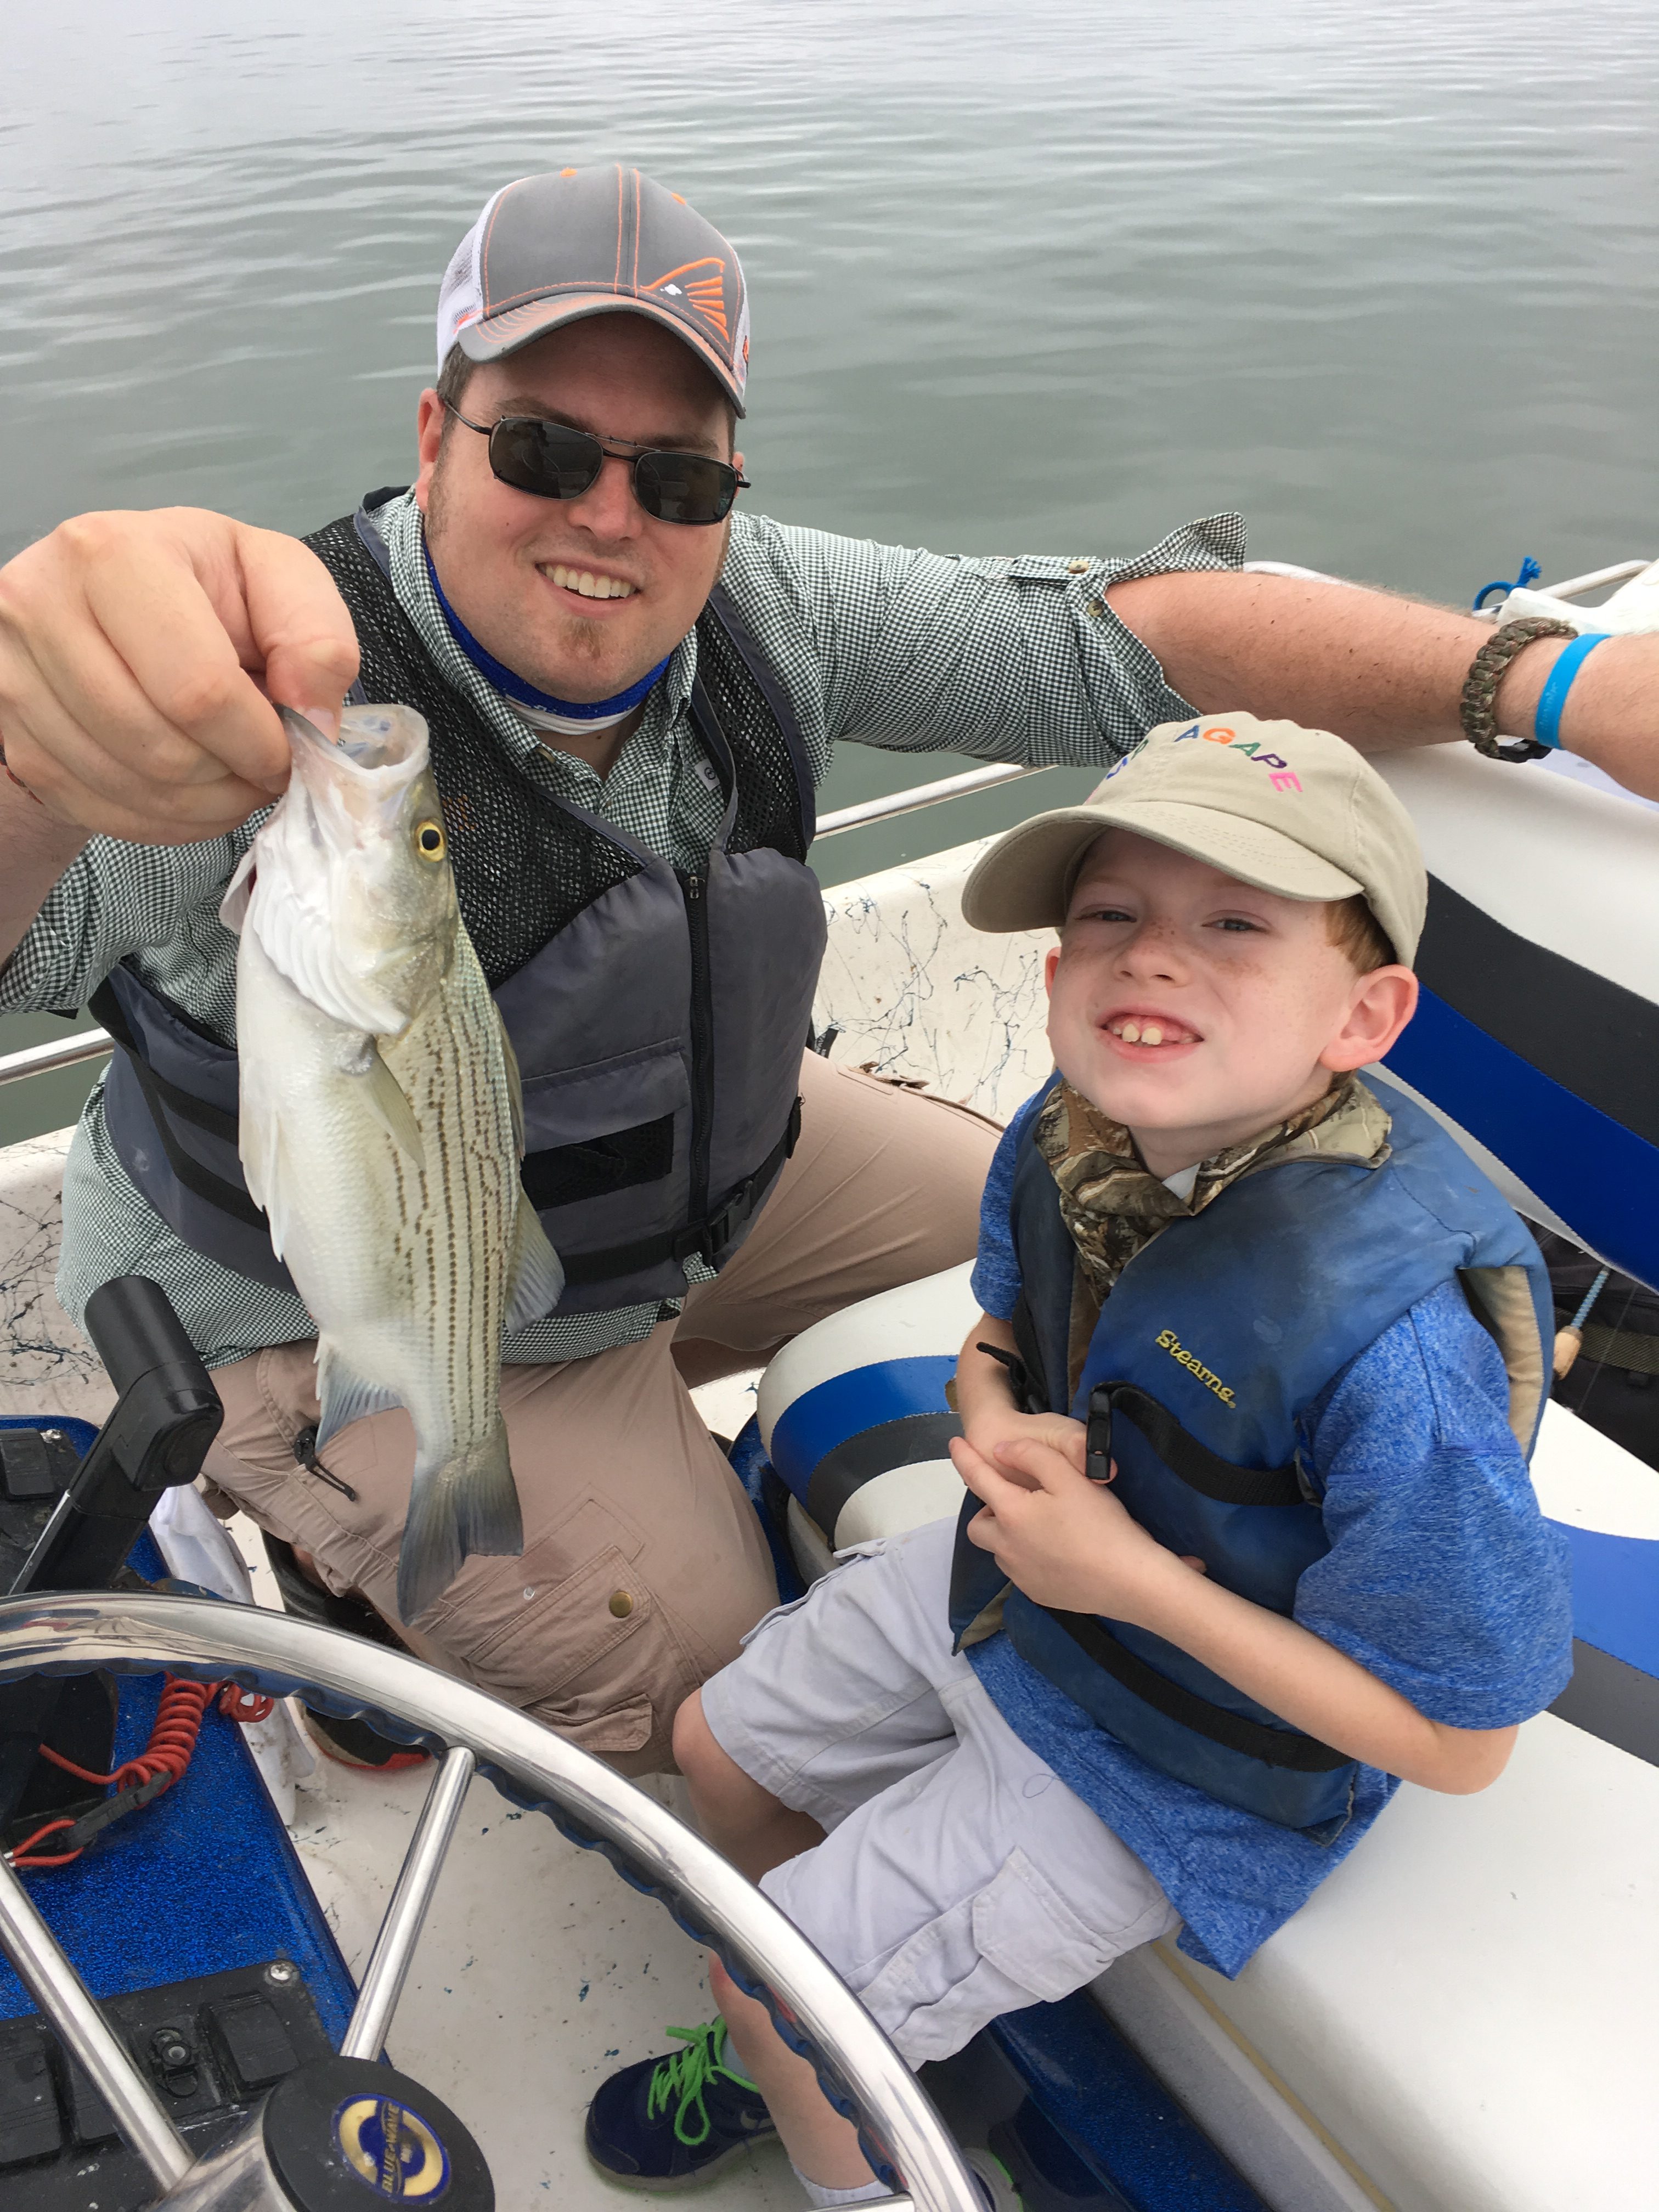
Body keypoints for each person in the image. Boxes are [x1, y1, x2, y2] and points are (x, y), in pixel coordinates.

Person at [0, 165, 1630, 1771]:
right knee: (730, 1710)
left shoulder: (766, 606)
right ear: (434, 438)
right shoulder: (264, 718)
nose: (610, 516)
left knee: (1070, 1244)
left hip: (690, 1175)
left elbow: (1117, 646)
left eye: (678, 477)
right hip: (340, 1293)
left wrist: (1552, 685)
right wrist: (34, 755)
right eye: (543, 447)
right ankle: (357, 1604)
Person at [581, 714, 1573, 2205]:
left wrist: (1127, 1581)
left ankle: (834, 2085)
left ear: (1363, 1019)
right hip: (1027, 1594)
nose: (1153, 958)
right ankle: (859, 2041)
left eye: (1234, 924)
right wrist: (990, 1421)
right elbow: (1000, 1339)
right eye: (1111, 916)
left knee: (772, 1992)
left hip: (1189, 1753)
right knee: (716, 1748)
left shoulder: (1397, 1356)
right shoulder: (1073, 1141)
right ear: (1053, 980)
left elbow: (1462, 1745)